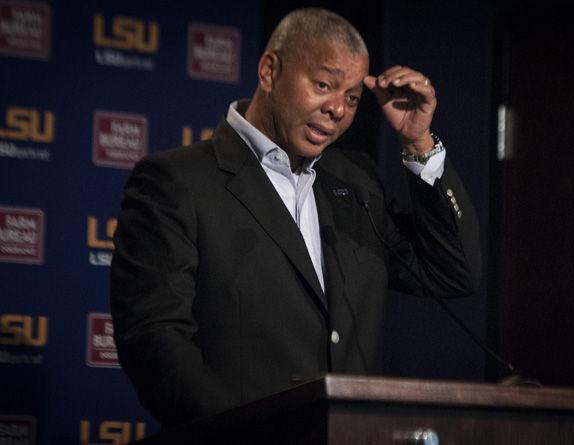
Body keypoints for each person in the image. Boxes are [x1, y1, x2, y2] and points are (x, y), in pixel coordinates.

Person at [110, 7, 481, 427]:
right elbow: (154, 339)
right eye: (323, 85)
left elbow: (453, 273)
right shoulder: (178, 181)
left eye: (353, 97)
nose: (337, 109)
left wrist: (419, 143)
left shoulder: (355, 183)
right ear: (269, 72)